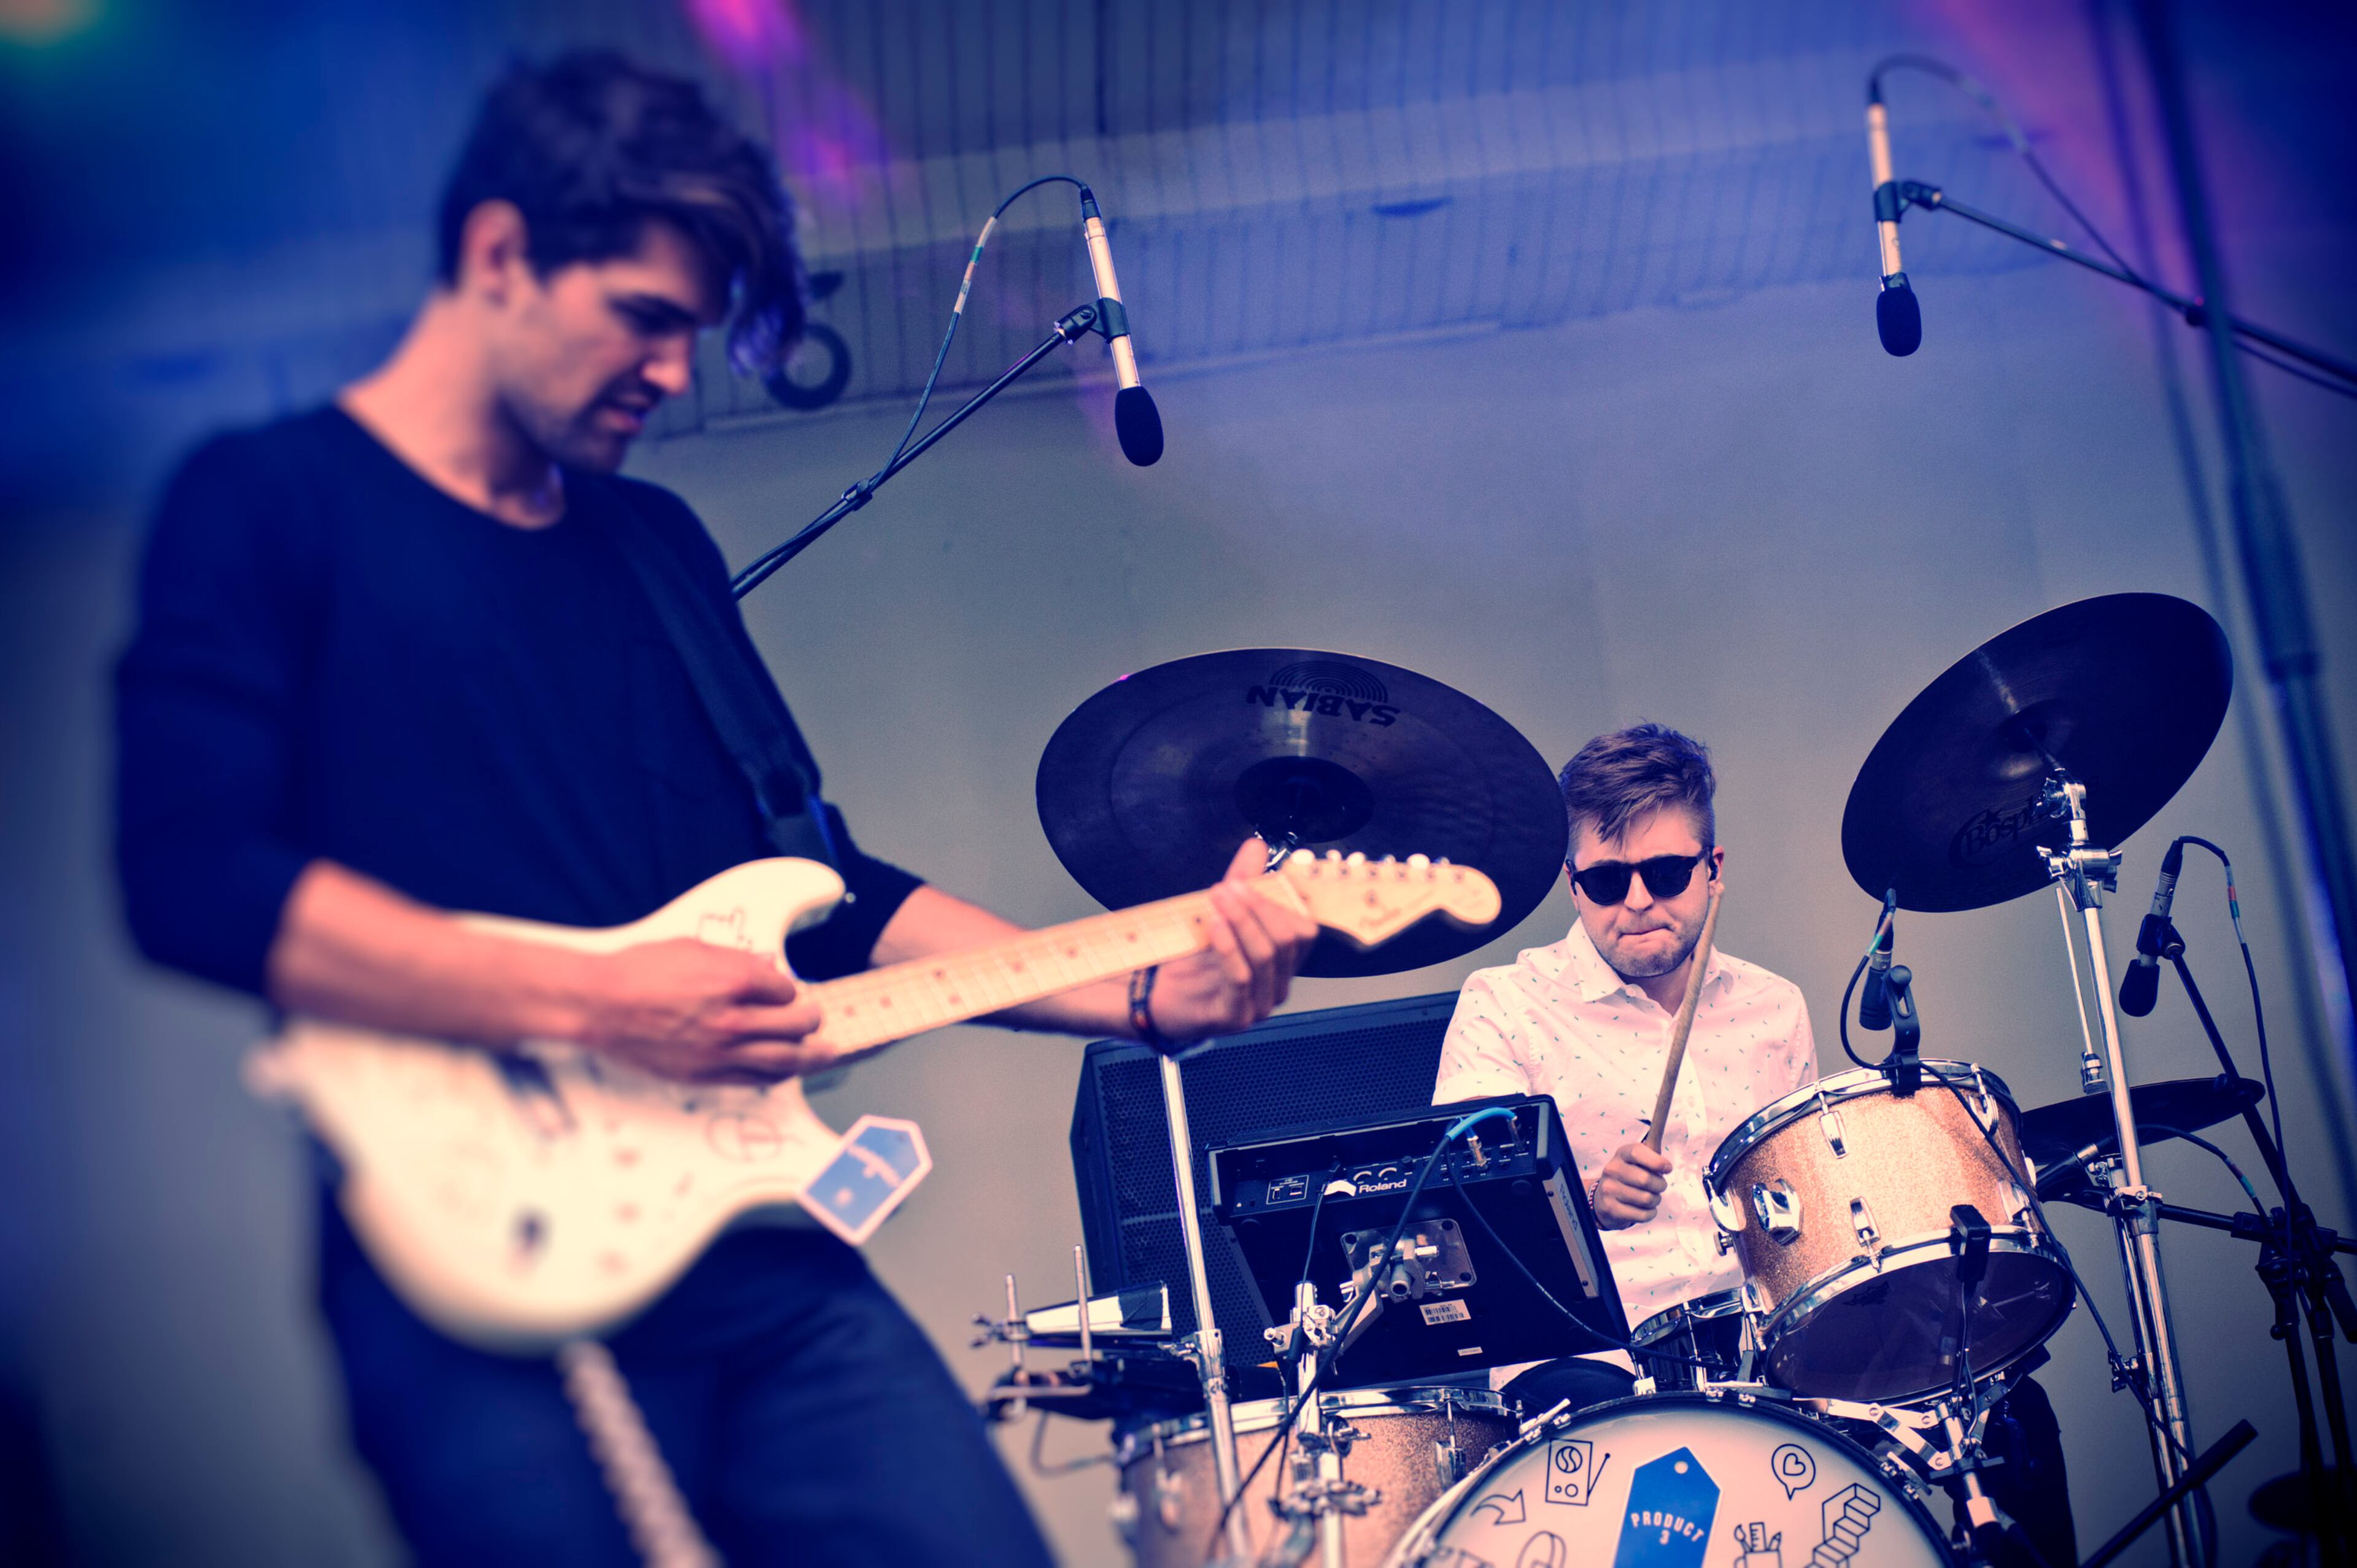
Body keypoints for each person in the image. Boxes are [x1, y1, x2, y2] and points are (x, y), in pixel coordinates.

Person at [112, 52, 1317, 1567]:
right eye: (644, 317)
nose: (678, 371)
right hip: (484, 1264)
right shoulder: (271, 506)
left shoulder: (653, 548)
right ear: (500, 256)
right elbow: (192, 878)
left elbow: (828, 888)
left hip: (759, 1253)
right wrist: (604, 999)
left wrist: (1145, 991)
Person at [1432, 724, 2074, 1566]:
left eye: (1665, 874)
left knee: (2011, 1419)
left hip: (1759, 1350)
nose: (1635, 904)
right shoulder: (1505, 1004)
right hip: (1594, 1360)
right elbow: (1462, 1225)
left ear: (1714, 869)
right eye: (1603, 882)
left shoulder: (1774, 1007)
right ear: (1572, 882)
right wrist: (1583, 1204)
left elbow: (1802, 1221)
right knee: (1648, 1467)